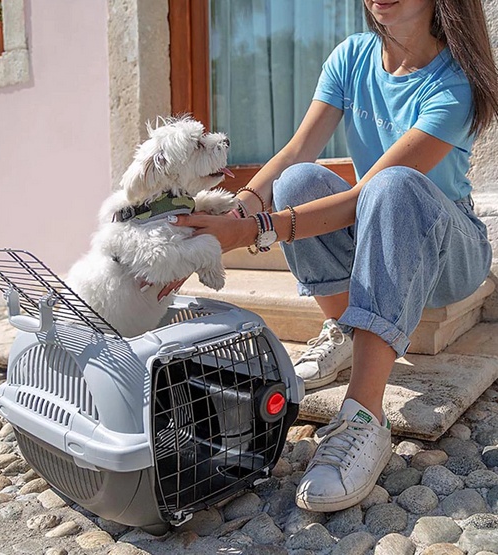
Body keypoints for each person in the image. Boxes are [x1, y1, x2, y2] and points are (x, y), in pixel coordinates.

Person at [171, 0, 498, 513]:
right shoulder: (352, 57)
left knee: (392, 185)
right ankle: (347, 330)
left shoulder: (455, 82)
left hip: (449, 251)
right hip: (377, 222)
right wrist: (230, 219)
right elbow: (295, 152)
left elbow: (362, 195)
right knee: (297, 180)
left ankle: (364, 417)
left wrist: (255, 231)